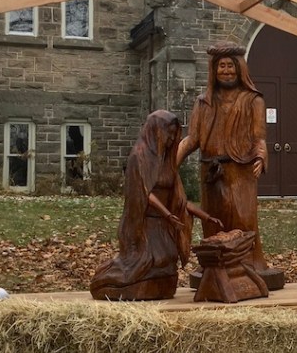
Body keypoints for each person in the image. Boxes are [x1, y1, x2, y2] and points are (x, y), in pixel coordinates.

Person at [91, 109, 220, 300]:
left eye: (174, 134)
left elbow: (180, 200)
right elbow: (144, 193)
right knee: (146, 263)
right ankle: (107, 282)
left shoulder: (167, 161)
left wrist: (206, 217)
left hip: (163, 225)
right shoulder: (139, 157)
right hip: (145, 225)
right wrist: (167, 214)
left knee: (167, 259)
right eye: (168, 132)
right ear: (155, 130)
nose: (171, 138)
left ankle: (158, 287)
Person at [175, 41, 276, 278]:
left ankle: (249, 265)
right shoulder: (204, 102)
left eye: (231, 65)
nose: (226, 70)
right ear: (214, 69)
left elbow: (259, 137)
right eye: (221, 66)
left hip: (241, 171)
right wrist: (171, 164)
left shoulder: (253, 101)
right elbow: (193, 139)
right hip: (211, 171)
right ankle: (213, 265)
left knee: (244, 218)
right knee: (212, 220)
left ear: (240, 68)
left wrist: (261, 156)